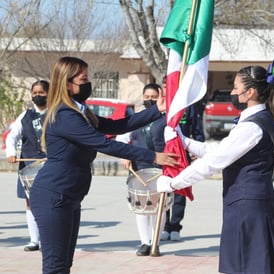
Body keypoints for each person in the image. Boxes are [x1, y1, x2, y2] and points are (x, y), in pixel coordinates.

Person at [29, 56, 178, 274]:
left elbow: (117, 126)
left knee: (63, 265)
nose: (88, 83)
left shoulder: (79, 110)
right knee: (55, 267)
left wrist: (156, 110)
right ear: (67, 83)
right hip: (54, 196)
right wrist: (153, 156)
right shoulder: (64, 115)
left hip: (68, 196)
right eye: (84, 79)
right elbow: (103, 144)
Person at [157, 59, 274, 274]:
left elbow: (213, 162)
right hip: (247, 203)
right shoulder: (257, 120)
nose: (233, 92)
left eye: (236, 88)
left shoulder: (252, 127)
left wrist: (173, 183)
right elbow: (218, 150)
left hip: (247, 207)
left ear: (250, 92)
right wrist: (184, 141)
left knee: (247, 267)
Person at [117, 83, 167, 256]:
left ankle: (156, 242)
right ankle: (144, 242)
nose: (150, 100)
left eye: (153, 97)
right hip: (139, 168)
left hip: (160, 167)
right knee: (142, 205)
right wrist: (125, 156)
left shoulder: (167, 118)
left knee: (159, 206)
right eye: (147, 97)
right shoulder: (136, 118)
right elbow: (122, 138)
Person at [5, 80, 49, 252]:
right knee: (30, 202)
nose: (37, 96)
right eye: (35, 93)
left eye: (41, 93)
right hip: (28, 165)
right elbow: (12, 136)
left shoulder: (55, 114)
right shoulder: (25, 116)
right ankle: (34, 240)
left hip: (48, 164)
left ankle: (47, 239)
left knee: (47, 203)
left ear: (49, 94)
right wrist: (11, 153)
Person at [161, 90, 206, 241]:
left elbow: (197, 130)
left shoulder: (188, 107)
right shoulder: (161, 107)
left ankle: (175, 226)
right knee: (164, 190)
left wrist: (197, 149)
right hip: (162, 154)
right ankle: (164, 226)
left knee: (179, 190)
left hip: (182, 155)